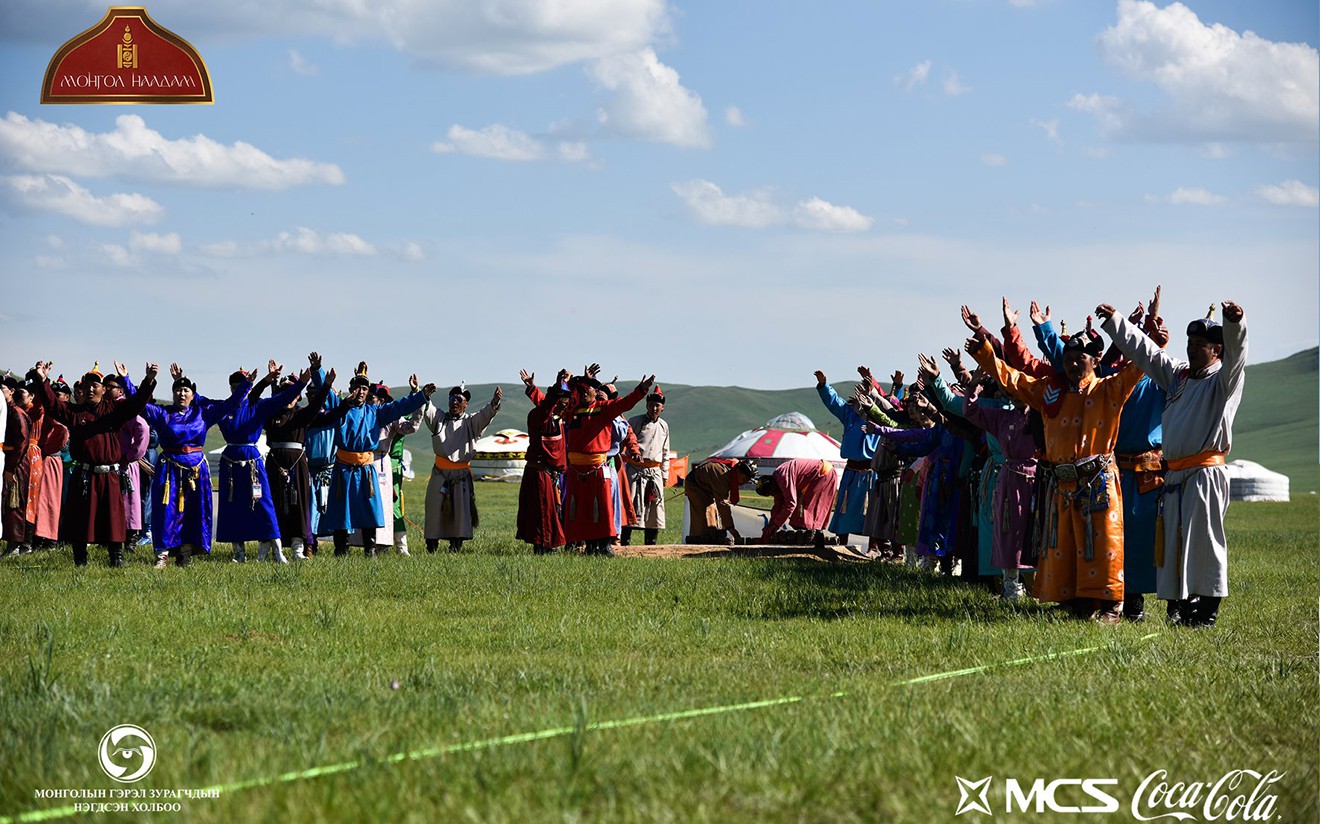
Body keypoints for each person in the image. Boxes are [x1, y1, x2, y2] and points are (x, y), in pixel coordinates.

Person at [968, 323, 1143, 624]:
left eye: (1081, 358)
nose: (1073, 363)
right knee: (1066, 543)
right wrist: (985, 355)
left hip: (1096, 479)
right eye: (1069, 358)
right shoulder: (1050, 393)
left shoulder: (1109, 389)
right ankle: (1075, 601)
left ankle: (1110, 606)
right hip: (1063, 482)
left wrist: (1148, 332)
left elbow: (1140, 364)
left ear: (1096, 360)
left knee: (1103, 544)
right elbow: (1014, 379)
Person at [1100, 300, 1247, 628]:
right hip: (1175, 474)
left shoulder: (1224, 382)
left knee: (1204, 542)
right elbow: (1147, 353)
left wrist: (1235, 323)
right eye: (1190, 344)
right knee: (1172, 545)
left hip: (1205, 473)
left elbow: (1238, 354)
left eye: (1201, 346)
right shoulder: (1178, 377)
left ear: (1216, 350)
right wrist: (1115, 321)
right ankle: (1179, 608)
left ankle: (1207, 612)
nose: (1193, 350)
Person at [920, 352, 1036, 599]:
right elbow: (956, 403)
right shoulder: (995, 410)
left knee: (1029, 531)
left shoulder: (1035, 410)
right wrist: (940, 378)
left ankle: (1034, 586)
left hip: (1032, 477)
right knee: (996, 531)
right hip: (997, 476)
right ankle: (1002, 585)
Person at [31, 361, 158, 567]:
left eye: (95, 385)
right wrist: (43, 380)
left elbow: (137, 403)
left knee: (114, 518)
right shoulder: (73, 413)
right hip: (84, 475)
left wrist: (149, 380)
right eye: (87, 385)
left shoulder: (114, 410)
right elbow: (52, 406)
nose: (90, 389)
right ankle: (80, 560)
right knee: (80, 518)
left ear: (103, 389)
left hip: (110, 475)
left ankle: (117, 558)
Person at [139, 364, 251, 568]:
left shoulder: (202, 413)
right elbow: (138, 403)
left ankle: (185, 554)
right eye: (178, 390)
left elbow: (230, 404)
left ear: (193, 394)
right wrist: (146, 381)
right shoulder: (163, 414)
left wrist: (247, 385)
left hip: (196, 470)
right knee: (166, 510)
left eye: (186, 390)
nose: (182, 394)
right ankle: (162, 555)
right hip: (169, 469)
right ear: (173, 393)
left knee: (192, 511)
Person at [321, 370, 435, 557]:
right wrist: (319, 372)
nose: (360, 391)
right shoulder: (340, 407)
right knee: (342, 510)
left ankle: (370, 550)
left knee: (368, 509)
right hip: (343, 468)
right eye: (357, 387)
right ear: (351, 389)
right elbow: (325, 394)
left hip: (366, 468)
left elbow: (400, 407)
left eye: (365, 388)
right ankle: (341, 550)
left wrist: (421, 396)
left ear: (367, 392)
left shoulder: (375, 412)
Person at [216, 361, 310, 563]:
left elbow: (283, 397)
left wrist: (300, 384)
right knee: (233, 505)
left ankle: (278, 551)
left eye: (242, 385)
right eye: (234, 386)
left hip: (252, 460)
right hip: (230, 461)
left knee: (265, 505)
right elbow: (196, 403)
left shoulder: (259, 406)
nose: (237, 389)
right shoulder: (223, 408)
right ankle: (239, 554)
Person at [561, 369, 654, 555]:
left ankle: (604, 545)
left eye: (589, 389)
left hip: (597, 468)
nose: (585, 392)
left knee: (602, 507)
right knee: (580, 509)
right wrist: (564, 381)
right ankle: (586, 545)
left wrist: (641, 390)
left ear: (596, 392)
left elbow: (626, 404)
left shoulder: (605, 409)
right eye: (583, 389)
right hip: (576, 471)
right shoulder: (572, 410)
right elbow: (558, 398)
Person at [263, 360, 342, 561]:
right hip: (274, 464)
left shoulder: (302, 415)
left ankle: (298, 548)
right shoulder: (269, 414)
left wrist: (326, 386)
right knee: (272, 505)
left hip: (297, 464)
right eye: (284, 392)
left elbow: (318, 406)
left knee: (298, 506)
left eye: (292, 392)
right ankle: (271, 548)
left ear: (298, 395)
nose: (288, 397)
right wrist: (271, 382)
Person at [422, 382, 501, 553]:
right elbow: (428, 409)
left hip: (460, 474)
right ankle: (432, 546)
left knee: (459, 511)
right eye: (452, 398)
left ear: (466, 404)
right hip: (440, 472)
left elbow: (485, 415)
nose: (454, 402)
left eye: (459, 399)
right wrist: (422, 394)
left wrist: (494, 402)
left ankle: (455, 546)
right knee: (434, 508)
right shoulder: (439, 419)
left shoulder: (471, 423)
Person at [815, 370, 880, 545]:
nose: (860, 399)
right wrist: (824, 385)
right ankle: (842, 543)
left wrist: (875, 389)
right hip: (851, 471)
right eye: (859, 395)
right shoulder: (849, 413)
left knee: (871, 509)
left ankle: (873, 547)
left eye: (865, 394)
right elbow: (834, 402)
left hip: (870, 472)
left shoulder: (879, 416)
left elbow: (891, 405)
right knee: (845, 508)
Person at [517, 369, 571, 554]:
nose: (565, 408)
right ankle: (543, 547)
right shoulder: (540, 417)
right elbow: (546, 404)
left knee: (548, 512)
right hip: (539, 473)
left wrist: (533, 388)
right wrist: (558, 383)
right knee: (542, 512)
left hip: (548, 474)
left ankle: (547, 545)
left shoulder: (556, 418)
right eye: (562, 404)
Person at [104, 367, 149, 550]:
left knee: (128, 501)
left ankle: (130, 538)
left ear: (121, 390)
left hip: (124, 463)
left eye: (111, 387)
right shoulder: (106, 408)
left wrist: (131, 455)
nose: (107, 390)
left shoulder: (125, 408)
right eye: (105, 387)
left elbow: (143, 429)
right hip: (109, 462)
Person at [622, 387, 670, 547]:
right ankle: (625, 543)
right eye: (651, 405)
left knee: (654, 510)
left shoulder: (664, 426)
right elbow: (624, 443)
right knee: (630, 505)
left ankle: (651, 545)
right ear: (646, 405)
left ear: (662, 408)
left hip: (655, 472)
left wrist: (665, 474)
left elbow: (665, 451)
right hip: (635, 470)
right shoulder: (635, 421)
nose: (654, 408)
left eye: (657, 405)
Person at [754, 457, 839, 546]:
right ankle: (812, 539)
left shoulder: (783, 478)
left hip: (823, 474)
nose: (773, 495)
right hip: (813, 479)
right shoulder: (776, 482)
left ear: (772, 488)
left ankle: (816, 542)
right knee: (797, 520)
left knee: (807, 516)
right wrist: (771, 525)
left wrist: (776, 524)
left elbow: (791, 504)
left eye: (771, 493)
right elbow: (778, 505)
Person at [683, 457, 757, 544]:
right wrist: (731, 528)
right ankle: (698, 539)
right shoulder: (722, 475)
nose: (744, 482)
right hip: (694, 484)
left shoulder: (731, 473)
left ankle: (712, 536)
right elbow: (722, 503)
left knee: (713, 512)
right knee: (705, 513)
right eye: (744, 479)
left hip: (706, 488)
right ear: (738, 472)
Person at [3, 379, 33, 555]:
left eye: (3, 388)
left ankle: (15, 544)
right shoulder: (7, 411)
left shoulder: (16, 412)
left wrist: (11, 468)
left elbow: (22, 442)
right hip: (9, 460)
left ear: (12, 391)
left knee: (15, 503)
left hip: (17, 463)